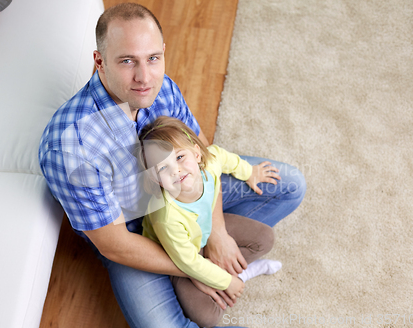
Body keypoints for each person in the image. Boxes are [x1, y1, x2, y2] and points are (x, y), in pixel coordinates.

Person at [38, 3, 306, 328]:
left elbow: (203, 158)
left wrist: (218, 234)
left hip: (184, 197)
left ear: (163, 52)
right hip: (134, 234)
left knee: (290, 186)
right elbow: (116, 244)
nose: (144, 77)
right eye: (127, 61)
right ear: (99, 62)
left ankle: (199, 248)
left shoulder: (161, 88)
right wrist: (195, 269)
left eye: (153, 58)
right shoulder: (71, 146)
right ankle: (187, 274)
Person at [138, 116, 283, 327]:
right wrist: (225, 282)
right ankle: (235, 276)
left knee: (265, 238)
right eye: (163, 168)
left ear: (197, 153)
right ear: (155, 179)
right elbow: (187, 262)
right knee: (207, 317)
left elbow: (225, 158)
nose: (176, 171)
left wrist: (249, 171)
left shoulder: (210, 163)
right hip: (177, 256)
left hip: (203, 234)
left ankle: (242, 273)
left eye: (179, 157)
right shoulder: (167, 217)